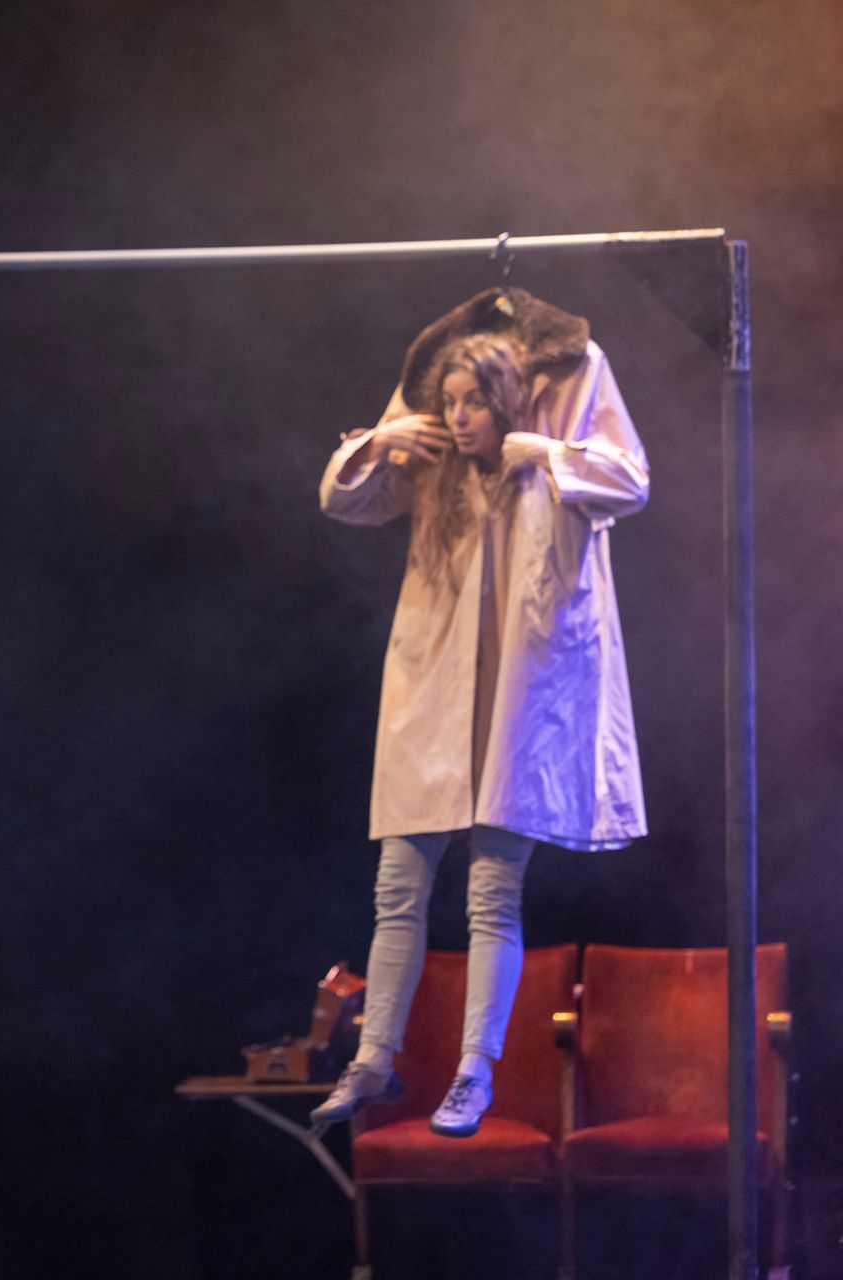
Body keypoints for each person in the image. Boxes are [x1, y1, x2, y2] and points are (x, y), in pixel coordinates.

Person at [306, 290, 648, 1139]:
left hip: (517, 697)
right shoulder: (436, 472)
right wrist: (381, 440)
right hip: (433, 692)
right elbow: (344, 500)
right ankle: (373, 1060)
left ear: (507, 401)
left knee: (492, 892)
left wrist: (545, 449)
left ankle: (474, 1072)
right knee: (398, 886)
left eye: (472, 403)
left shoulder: (548, 456)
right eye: (448, 402)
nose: (457, 417)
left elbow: (630, 480)